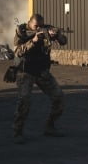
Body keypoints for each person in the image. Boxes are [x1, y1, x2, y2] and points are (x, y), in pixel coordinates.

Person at [12, 13, 68, 144]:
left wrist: (57, 35)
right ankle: (17, 131)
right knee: (24, 100)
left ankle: (50, 126)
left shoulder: (47, 29)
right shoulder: (22, 31)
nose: (39, 28)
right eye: (36, 26)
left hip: (42, 71)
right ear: (29, 23)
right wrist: (33, 41)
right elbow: (18, 52)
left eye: (41, 26)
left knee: (59, 97)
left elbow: (64, 41)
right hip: (25, 71)